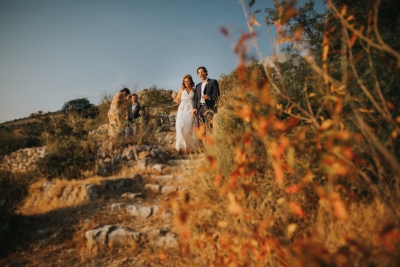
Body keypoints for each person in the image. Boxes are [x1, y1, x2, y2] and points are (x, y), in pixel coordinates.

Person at [172, 74, 198, 154]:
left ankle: (188, 148)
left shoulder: (195, 90)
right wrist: (174, 97)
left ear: (191, 81)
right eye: (185, 81)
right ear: (183, 82)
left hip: (190, 110)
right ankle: (179, 148)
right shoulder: (181, 89)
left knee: (189, 129)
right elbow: (177, 100)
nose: (187, 82)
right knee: (180, 128)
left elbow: (196, 100)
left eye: (188, 81)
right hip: (182, 110)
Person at [192, 66, 220, 133]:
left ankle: (210, 142)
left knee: (209, 127)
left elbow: (217, 95)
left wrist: (208, 97)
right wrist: (194, 108)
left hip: (209, 107)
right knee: (201, 128)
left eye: (202, 72)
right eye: (199, 73)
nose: (200, 74)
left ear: (206, 72)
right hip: (199, 109)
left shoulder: (213, 82)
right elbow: (196, 98)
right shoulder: (198, 86)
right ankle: (202, 143)